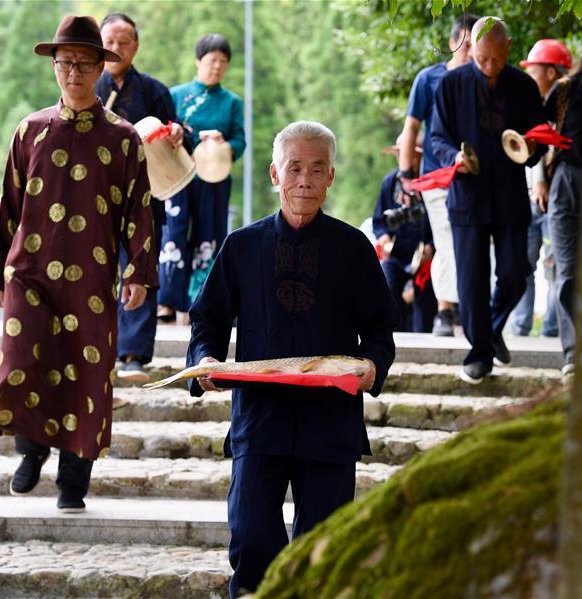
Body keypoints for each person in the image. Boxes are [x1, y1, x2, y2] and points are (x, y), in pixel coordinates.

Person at [186, 121, 399, 597]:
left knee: (322, 550)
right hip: (259, 418)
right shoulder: (242, 246)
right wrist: (206, 359)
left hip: (331, 421)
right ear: (274, 174)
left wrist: (372, 366)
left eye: (317, 169)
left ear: (331, 177)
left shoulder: (353, 248)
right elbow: (208, 318)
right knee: (251, 538)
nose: (305, 180)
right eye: (295, 168)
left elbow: (380, 328)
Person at [0, 15, 157, 512]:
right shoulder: (29, 130)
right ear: (54, 66)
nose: (73, 72)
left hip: (92, 277)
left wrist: (139, 273)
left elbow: (139, 210)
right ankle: (31, 450)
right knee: (21, 361)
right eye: (65, 63)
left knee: (87, 371)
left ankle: (73, 479)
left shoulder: (122, 138)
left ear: (100, 67)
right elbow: (8, 205)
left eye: (83, 63)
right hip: (28, 272)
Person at [431, 17, 547, 384]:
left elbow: (539, 137)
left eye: (496, 59)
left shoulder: (524, 86)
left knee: (516, 273)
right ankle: (479, 354)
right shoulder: (451, 84)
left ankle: (492, 329)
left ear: (508, 47)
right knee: (471, 283)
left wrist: (532, 147)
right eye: (481, 58)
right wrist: (453, 157)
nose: (489, 66)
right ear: (471, 50)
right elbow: (437, 138)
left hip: (510, 196)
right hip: (468, 197)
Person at [96, 12, 184, 383]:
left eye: (124, 42)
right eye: (109, 42)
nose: (116, 48)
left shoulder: (153, 91)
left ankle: (132, 354)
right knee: (94, 272)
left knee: (139, 269)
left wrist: (177, 133)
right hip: (95, 197)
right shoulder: (86, 87)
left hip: (144, 196)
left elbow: (176, 134)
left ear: (136, 46)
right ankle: (97, 350)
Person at [397, 14, 477, 336]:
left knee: (471, 241)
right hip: (436, 175)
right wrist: (405, 174)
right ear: (452, 42)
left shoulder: (484, 81)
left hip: (475, 176)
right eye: (466, 44)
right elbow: (411, 127)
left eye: (476, 45)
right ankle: (445, 309)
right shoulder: (428, 79)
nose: (471, 51)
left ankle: (469, 309)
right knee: (445, 239)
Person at [158, 33, 246, 324]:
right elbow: (164, 131)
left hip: (214, 177)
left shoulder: (232, 102)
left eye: (223, 61)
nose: (217, 66)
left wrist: (223, 144)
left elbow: (240, 141)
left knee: (209, 236)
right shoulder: (176, 95)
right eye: (212, 60)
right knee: (173, 232)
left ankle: (199, 302)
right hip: (178, 175)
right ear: (198, 61)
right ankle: (167, 301)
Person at [547, 24, 582, 376]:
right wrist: (540, 181)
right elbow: (539, 134)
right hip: (566, 182)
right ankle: (573, 354)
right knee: (568, 271)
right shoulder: (566, 90)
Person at [508, 39, 572, 338]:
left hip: (556, 199)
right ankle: (519, 327)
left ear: (550, 73)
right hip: (527, 198)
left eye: (533, 70)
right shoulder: (525, 105)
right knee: (522, 265)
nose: (528, 76)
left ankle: (552, 329)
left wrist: (543, 181)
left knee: (555, 264)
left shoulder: (566, 109)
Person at [372, 141, 437, 332]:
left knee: (425, 298)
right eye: (402, 154)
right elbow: (378, 221)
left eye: (410, 154)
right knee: (387, 289)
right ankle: (395, 336)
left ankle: (424, 337)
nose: (406, 158)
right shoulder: (390, 182)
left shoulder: (430, 182)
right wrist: (384, 238)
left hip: (425, 256)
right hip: (396, 254)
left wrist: (432, 247)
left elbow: (442, 223)